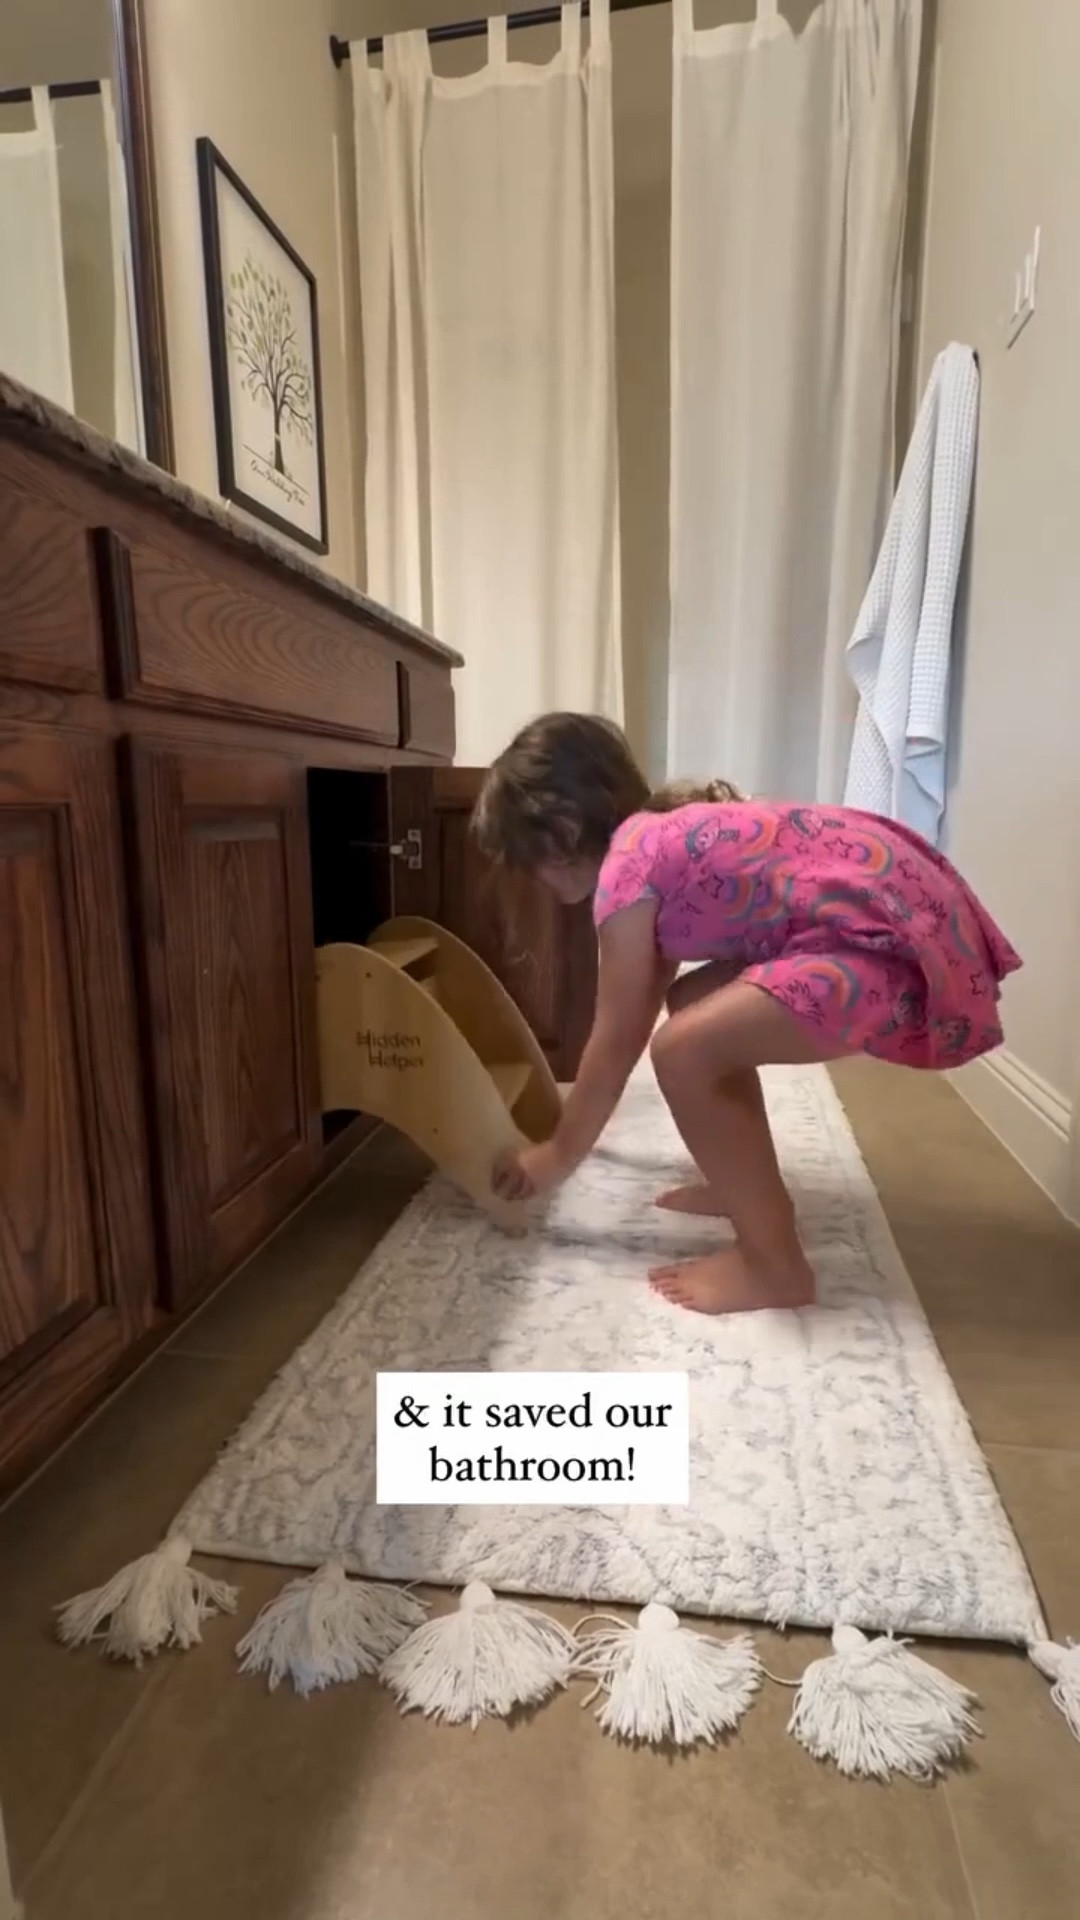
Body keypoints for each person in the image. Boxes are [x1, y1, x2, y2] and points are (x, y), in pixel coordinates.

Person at [472, 712, 1021, 1317]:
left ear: (564, 830)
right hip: (894, 931)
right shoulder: (655, 838)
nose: (533, 880)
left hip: (887, 952)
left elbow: (617, 1037)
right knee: (694, 1011)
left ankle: (774, 1265)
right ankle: (744, 1188)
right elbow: (649, 1001)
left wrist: (555, 1155)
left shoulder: (626, 870)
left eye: (529, 860)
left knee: (682, 1051)